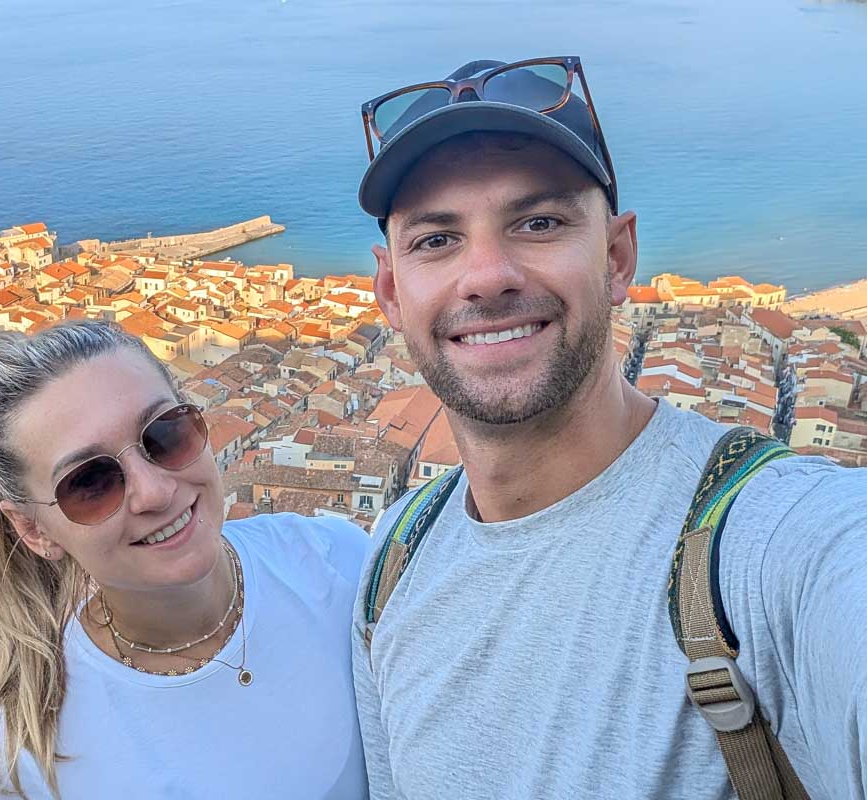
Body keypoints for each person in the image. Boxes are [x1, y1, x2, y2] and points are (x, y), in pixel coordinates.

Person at [351, 57, 867, 798]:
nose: (488, 274)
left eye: (539, 222)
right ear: (392, 291)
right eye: (437, 239)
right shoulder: (393, 563)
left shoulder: (767, 542)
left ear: (617, 257)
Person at [0, 320, 369, 799]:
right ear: (33, 529)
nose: (155, 492)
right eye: (90, 482)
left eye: (165, 434)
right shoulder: (24, 757)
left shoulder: (341, 566)